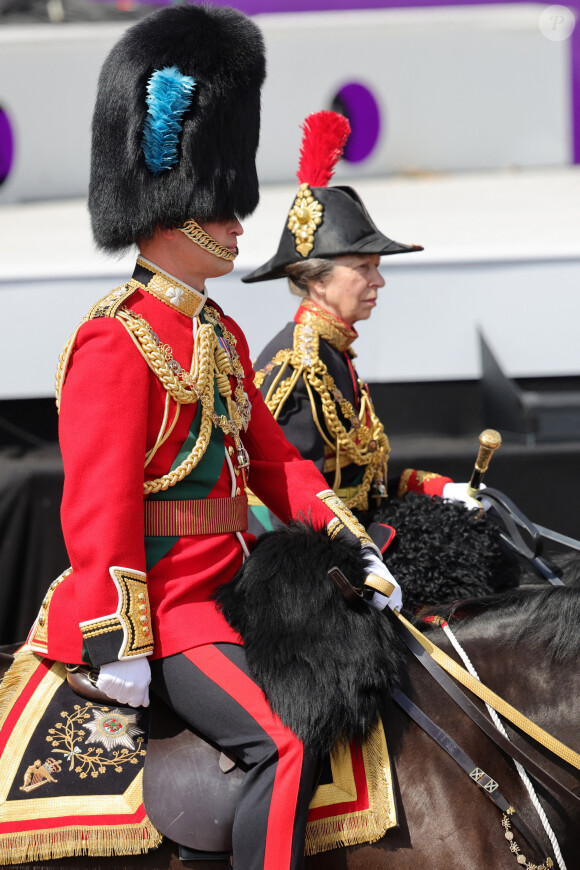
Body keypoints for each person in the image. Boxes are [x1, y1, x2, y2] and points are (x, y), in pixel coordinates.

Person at [24, 8, 402, 870]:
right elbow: (99, 504)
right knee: (287, 744)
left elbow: (274, 462)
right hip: (176, 610)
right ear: (170, 211)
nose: (239, 227)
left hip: (239, 590)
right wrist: (120, 640)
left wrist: (348, 540)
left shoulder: (221, 335)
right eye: (224, 211)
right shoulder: (114, 340)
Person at [244, 111, 477, 538]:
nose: (379, 280)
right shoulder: (298, 365)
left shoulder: (333, 353)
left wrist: (436, 489)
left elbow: (361, 486)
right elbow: (276, 506)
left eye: (378, 266)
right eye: (363, 267)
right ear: (316, 279)